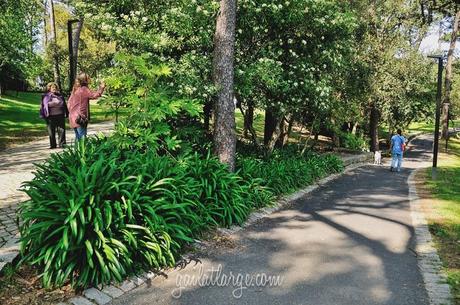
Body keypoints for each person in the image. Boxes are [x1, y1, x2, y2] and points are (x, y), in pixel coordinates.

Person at [67, 73, 105, 141]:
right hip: (80, 118)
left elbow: (69, 103)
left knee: (78, 138)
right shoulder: (83, 89)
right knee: (82, 139)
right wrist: (101, 87)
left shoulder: (76, 89)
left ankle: (77, 151)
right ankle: (82, 151)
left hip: (73, 117)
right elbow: (94, 95)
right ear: (85, 80)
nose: (90, 79)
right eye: (89, 77)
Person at [39, 82, 68, 149]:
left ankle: (62, 144)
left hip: (60, 115)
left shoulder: (60, 95)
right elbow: (43, 105)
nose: (54, 88)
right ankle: (53, 145)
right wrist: (42, 114)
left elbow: (63, 104)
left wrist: (66, 113)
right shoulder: (45, 96)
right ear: (49, 88)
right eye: (53, 87)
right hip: (50, 116)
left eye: (55, 87)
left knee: (61, 130)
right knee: (51, 131)